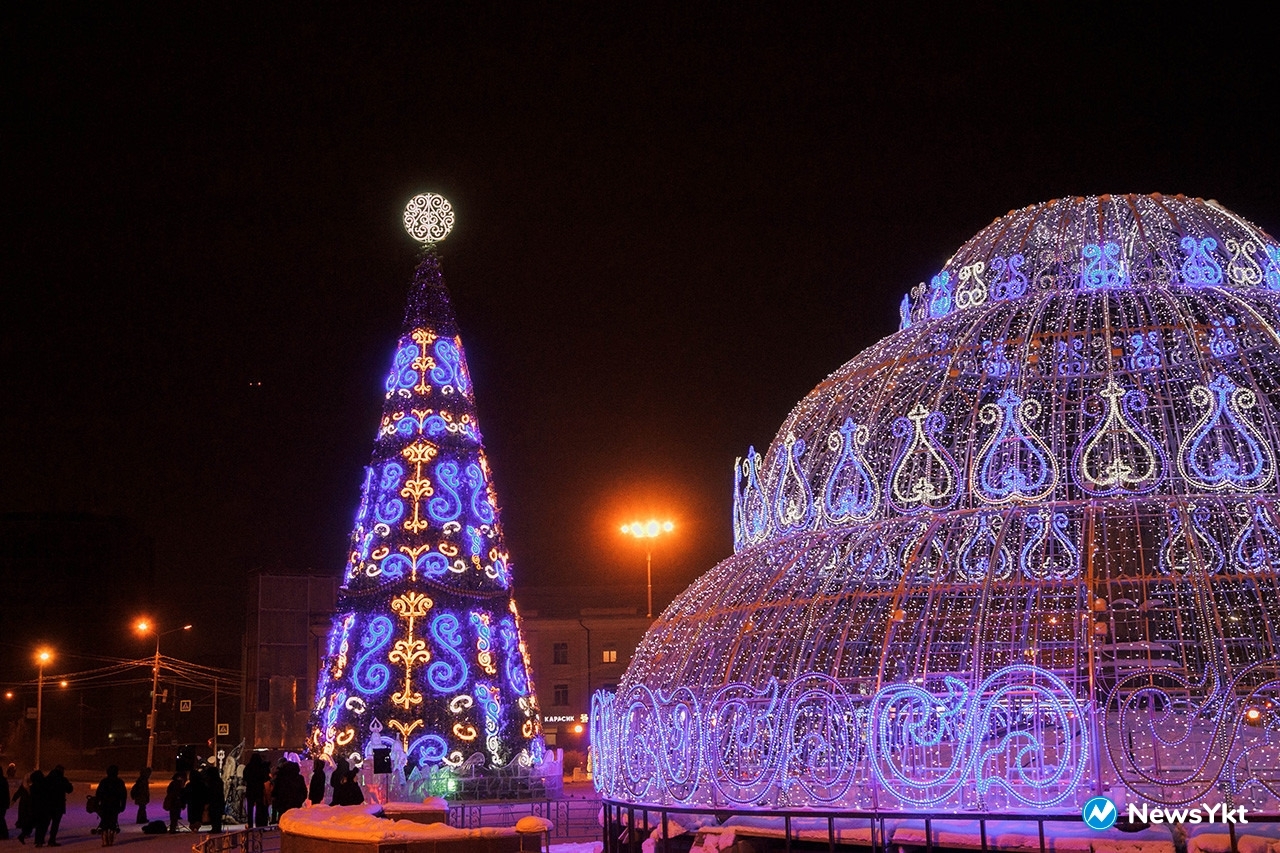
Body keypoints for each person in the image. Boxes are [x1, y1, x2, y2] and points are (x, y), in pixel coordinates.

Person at [35, 765, 71, 847]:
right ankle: (51, 840)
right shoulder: (62, 780)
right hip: (58, 805)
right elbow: (69, 789)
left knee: (45, 823)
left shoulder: (47, 779)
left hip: (47, 805)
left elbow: (41, 790)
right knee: (55, 824)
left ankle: (40, 841)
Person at [94, 765, 127, 842]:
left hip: (104, 805)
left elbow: (98, 793)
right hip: (115, 805)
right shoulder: (119, 782)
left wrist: (97, 803)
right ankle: (111, 837)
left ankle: (105, 838)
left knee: (105, 821)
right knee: (113, 821)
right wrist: (122, 805)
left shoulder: (104, 782)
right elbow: (123, 795)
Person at [242, 754, 269, 828]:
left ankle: (250, 824)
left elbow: (245, 777)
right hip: (259, 789)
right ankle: (258, 824)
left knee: (250, 808)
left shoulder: (248, 767)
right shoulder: (261, 767)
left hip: (250, 789)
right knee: (259, 808)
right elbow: (265, 777)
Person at [200, 765, 224, 834]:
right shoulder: (219, 781)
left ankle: (215, 828)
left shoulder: (212, 782)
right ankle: (217, 828)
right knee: (217, 815)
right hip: (219, 800)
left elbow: (211, 791)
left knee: (214, 814)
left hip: (213, 800)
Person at [11, 771, 34, 844]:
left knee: (27, 819)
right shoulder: (26, 786)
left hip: (26, 804)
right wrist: (14, 800)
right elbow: (18, 793)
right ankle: (25, 832)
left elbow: (17, 793)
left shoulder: (29, 786)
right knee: (26, 819)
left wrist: (14, 799)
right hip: (26, 805)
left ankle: (26, 832)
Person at [183, 767, 207, 834]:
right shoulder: (202, 784)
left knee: (192, 816)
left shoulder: (189, 785)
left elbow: (185, 793)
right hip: (199, 802)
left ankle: (194, 827)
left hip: (192, 803)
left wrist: (184, 801)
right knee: (198, 815)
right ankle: (196, 827)